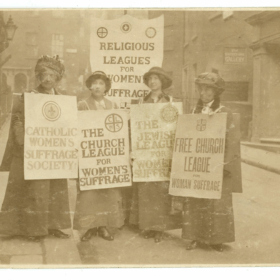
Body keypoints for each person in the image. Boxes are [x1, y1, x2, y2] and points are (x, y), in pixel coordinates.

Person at [0, 55, 71, 242]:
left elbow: (67, 124)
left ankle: (53, 226)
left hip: (54, 151)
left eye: (52, 75)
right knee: (30, 189)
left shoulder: (63, 100)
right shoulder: (28, 96)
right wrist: (24, 142)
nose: (47, 79)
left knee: (54, 189)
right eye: (44, 75)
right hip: (31, 150)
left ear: (57, 78)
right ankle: (26, 228)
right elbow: (17, 120)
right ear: (39, 77)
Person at [183, 72, 242, 252]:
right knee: (195, 199)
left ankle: (216, 239)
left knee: (217, 202)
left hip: (217, 165)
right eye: (201, 88)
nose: (204, 93)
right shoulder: (194, 111)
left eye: (208, 89)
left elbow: (231, 141)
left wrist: (225, 165)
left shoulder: (224, 112)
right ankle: (194, 236)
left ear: (216, 92)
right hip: (198, 163)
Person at [129, 67, 181, 243]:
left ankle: (159, 227)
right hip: (145, 154)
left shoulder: (171, 102)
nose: (152, 82)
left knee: (161, 191)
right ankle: (147, 225)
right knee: (145, 190)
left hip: (162, 153)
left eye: (156, 79)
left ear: (162, 82)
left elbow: (176, 127)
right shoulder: (140, 103)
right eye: (150, 79)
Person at [73, 71, 124, 242]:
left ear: (106, 87)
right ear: (89, 86)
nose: (97, 86)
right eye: (94, 83)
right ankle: (89, 227)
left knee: (106, 193)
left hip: (107, 157)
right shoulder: (82, 105)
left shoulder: (113, 106)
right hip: (89, 157)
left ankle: (103, 226)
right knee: (89, 194)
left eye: (101, 83)